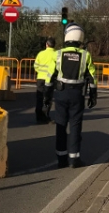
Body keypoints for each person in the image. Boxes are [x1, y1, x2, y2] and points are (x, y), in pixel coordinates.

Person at [50, 23, 97, 169]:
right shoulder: (85, 55)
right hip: (77, 94)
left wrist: (46, 96)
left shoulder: (58, 54)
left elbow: (50, 77)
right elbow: (92, 78)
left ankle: (61, 159)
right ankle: (74, 159)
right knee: (76, 126)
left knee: (60, 125)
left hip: (61, 93)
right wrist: (93, 96)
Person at [34, 37, 57, 124]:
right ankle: (45, 116)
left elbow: (35, 66)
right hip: (50, 79)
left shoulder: (41, 54)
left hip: (40, 78)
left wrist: (40, 72)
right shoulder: (56, 54)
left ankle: (38, 116)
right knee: (48, 98)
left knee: (39, 97)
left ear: (46, 45)